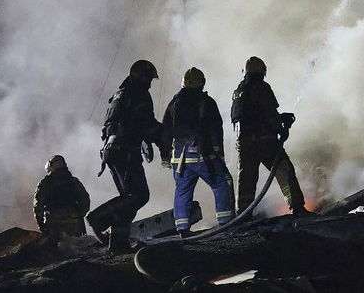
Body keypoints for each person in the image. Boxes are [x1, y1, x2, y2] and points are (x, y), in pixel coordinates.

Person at [87, 60, 162, 253]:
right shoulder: (139, 94)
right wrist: (164, 135)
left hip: (112, 151)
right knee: (139, 195)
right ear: (142, 76)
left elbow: (115, 123)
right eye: (149, 79)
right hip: (125, 150)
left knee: (127, 201)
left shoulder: (119, 94)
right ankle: (98, 218)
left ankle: (118, 245)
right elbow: (148, 124)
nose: (150, 84)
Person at [161, 67, 234, 236]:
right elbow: (216, 128)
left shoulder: (174, 103)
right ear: (202, 83)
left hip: (180, 159)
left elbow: (165, 131)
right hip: (203, 156)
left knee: (182, 190)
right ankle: (225, 223)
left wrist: (165, 156)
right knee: (222, 183)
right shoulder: (206, 102)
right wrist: (219, 153)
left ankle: (182, 229)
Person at [232, 56, 308, 216]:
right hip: (265, 141)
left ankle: (243, 215)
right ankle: (297, 207)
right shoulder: (262, 87)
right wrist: (281, 127)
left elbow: (247, 116)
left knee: (246, 180)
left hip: (245, 144)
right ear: (262, 71)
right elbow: (268, 114)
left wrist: (280, 118)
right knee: (284, 170)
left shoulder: (238, 91)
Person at [33, 156, 89, 239]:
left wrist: (40, 224)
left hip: (54, 223)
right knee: (77, 247)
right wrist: (79, 215)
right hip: (74, 222)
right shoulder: (73, 181)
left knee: (57, 249)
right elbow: (85, 200)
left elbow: (38, 205)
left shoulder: (45, 184)